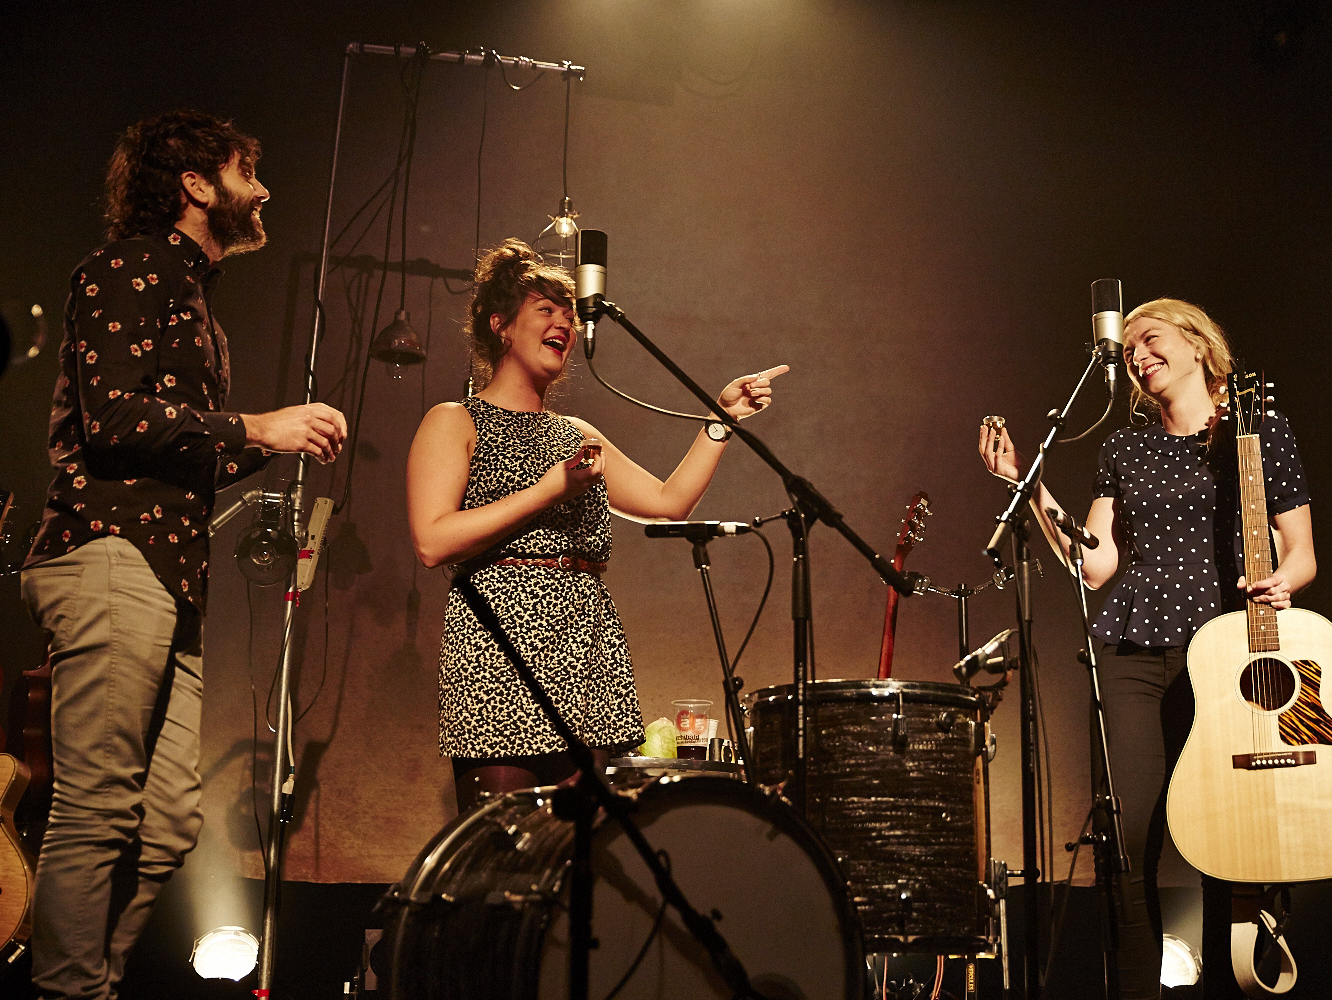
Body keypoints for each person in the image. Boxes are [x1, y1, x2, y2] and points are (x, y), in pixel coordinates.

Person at [19, 110, 348, 1000]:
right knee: (95, 807)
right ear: (197, 185)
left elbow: (182, 442)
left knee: (164, 827)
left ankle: (90, 978)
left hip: (168, 574)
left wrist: (277, 439)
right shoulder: (126, 269)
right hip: (108, 552)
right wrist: (256, 424)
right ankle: (65, 990)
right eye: (249, 171)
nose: (264, 189)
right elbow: (115, 420)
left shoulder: (199, 308)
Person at [979, 298, 1314, 1000]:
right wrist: (1028, 487)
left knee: (1229, 831)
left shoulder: (1256, 432)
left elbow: (1301, 552)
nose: (1137, 356)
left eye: (1149, 339)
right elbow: (1093, 566)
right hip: (1134, 648)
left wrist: (1281, 581)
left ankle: (1235, 984)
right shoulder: (1123, 447)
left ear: (1198, 344)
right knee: (1125, 842)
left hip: (1225, 652)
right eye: (1128, 350)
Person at [406, 240, 787, 811]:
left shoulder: (575, 432)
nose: (563, 322)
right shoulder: (455, 420)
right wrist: (550, 490)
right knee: (507, 853)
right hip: (497, 650)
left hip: (588, 652)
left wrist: (721, 419)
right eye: (545, 309)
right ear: (501, 326)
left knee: (590, 849)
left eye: (567, 313)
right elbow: (433, 540)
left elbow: (667, 501)